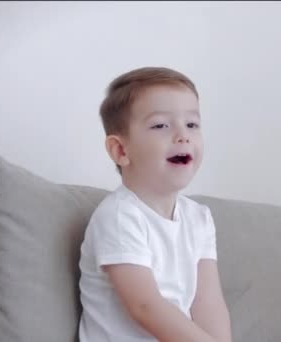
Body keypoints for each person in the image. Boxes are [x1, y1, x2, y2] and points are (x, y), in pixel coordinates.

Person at [78, 66, 232, 342]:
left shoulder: (200, 218)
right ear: (121, 151)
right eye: (161, 125)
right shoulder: (119, 215)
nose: (183, 135)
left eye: (192, 124)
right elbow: (145, 307)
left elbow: (209, 303)